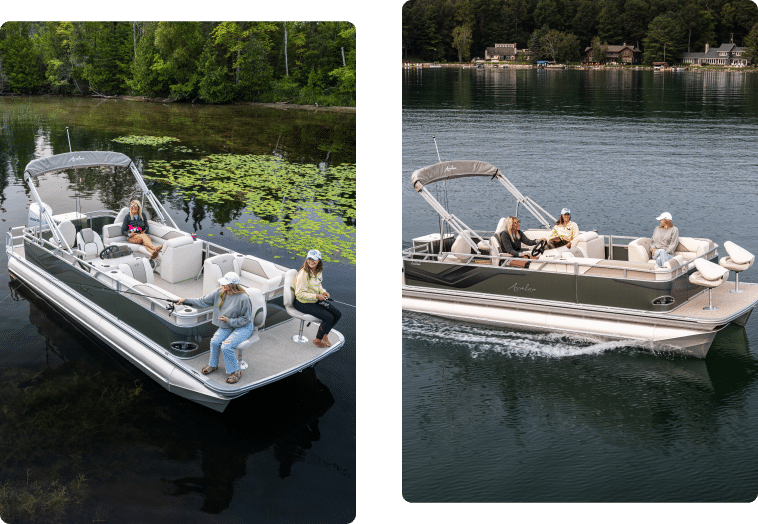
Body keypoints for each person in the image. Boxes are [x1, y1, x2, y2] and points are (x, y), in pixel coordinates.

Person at [176, 272, 252, 384]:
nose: (223, 285)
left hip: (243, 327)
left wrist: (228, 320)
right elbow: (202, 301)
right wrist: (185, 301)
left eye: (226, 284)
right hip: (228, 325)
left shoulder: (244, 298)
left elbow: (246, 320)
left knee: (226, 346)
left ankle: (235, 371)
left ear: (232, 285)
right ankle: (213, 365)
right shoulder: (219, 292)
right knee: (215, 342)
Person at [293, 249, 342, 348]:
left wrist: (323, 291)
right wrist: (316, 296)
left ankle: (324, 336)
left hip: (314, 299)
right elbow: (299, 294)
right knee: (329, 317)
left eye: (314, 259)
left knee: (337, 314)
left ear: (319, 260)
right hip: (302, 302)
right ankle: (317, 340)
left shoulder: (319, 271)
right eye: (309, 259)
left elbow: (318, 285)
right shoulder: (303, 274)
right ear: (307, 260)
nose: (311, 261)